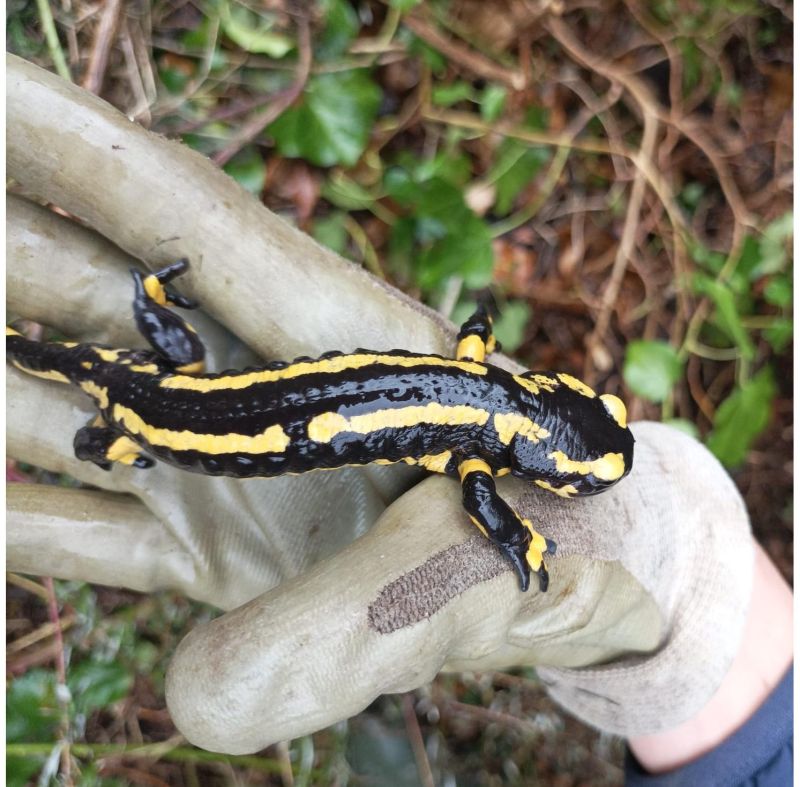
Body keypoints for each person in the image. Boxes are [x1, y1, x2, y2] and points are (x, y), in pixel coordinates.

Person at [7, 55, 793, 784]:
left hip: (182, 396)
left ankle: (133, 337)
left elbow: (478, 340)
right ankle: (105, 398)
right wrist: (521, 537)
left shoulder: (480, 376)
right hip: (170, 418)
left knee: (142, 390)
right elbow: (484, 505)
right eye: (583, 476)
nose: (590, 476)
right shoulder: (479, 459)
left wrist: (674, 572)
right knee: (116, 414)